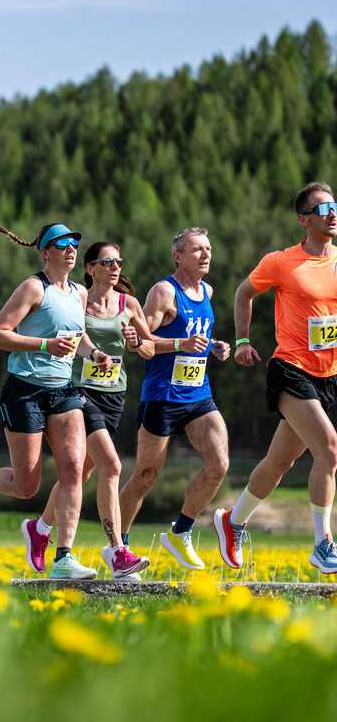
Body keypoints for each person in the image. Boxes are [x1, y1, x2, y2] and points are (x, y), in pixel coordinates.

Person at [0, 222, 112, 579]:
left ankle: (63, 558)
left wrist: (94, 353)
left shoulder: (80, 293)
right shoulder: (34, 288)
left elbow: (78, 335)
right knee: (26, 486)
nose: (70, 250)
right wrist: (44, 345)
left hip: (63, 391)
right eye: (62, 244)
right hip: (24, 391)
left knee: (73, 470)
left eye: (73, 244)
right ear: (45, 252)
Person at [215, 182, 337, 574]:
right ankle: (323, 544)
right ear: (304, 220)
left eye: (334, 206)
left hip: (328, 376)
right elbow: (243, 294)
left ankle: (232, 521)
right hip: (291, 369)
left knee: (279, 462)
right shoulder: (281, 262)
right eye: (323, 209)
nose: (332, 214)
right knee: (329, 449)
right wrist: (242, 341)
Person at [20, 241, 155, 580]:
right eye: (107, 262)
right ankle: (117, 551)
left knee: (79, 476)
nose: (115, 267)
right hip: (79, 393)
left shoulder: (129, 304)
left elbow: (149, 349)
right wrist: (92, 352)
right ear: (90, 268)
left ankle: (40, 528)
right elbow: (73, 336)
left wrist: (136, 341)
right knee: (112, 465)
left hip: (114, 396)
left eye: (118, 261)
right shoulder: (78, 299)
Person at [116, 228, 231, 571]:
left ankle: (180, 532)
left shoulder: (207, 291)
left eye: (208, 248)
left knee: (219, 463)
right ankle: (119, 547)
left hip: (198, 393)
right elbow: (141, 343)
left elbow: (196, 333)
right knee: (146, 476)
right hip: (162, 395)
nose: (206, 254)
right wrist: (181, 344)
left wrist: (214, 344)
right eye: (197, 250)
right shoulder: (164, 292)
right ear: (178, 257)